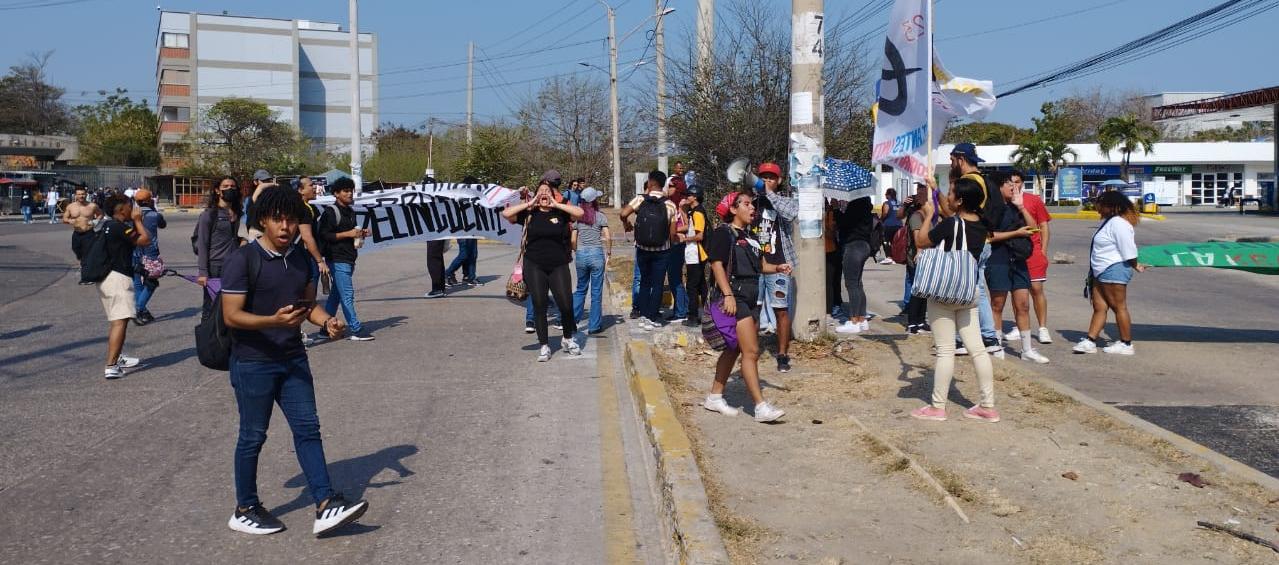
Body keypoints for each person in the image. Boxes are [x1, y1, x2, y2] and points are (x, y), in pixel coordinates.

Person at [219, 185, 369, 536]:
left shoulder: (301, 259)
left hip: (293, 359)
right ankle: (245, 508)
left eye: (290, 220)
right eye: (277, 220)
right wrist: (272, 321)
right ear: (262, 221)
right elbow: (231, 315)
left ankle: (326, 504)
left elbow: (307, 306)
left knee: (308, 430)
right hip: (253, 362)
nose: (285, 227)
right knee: (253, 436)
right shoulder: (243, 260)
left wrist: (327, 322)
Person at [909, 178, 999, 423]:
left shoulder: (951, 224)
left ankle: (937, 407)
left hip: (945, 292)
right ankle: (987, 406)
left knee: (945, 350)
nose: (947, 197)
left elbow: (921, 241)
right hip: (969, 292)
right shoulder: (982, 224)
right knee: (977, 349)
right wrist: (935, 188)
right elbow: (956, 218)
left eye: (951, 193)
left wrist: (929, 214)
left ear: (960, 200)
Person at [702, 192, 788, 423]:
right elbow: (716, 265)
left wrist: (778, 268)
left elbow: (761, 266)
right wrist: (728, 295)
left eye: (753, 205)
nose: (752, 209)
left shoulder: (750, 236)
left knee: (734, 349)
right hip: (735, 297)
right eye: (747, 204)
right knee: (751, 352)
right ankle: (760, 407)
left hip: (751, 298)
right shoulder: (724, 233)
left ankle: (714, 397)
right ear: (733, 209)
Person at [502, 177, 584, 361]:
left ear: (553, 194)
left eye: (547, 191)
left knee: (566, 304)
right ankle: (544, 346)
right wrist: (529, 203)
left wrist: (557, 204)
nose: (544, 194)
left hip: (558, 264)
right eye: (541, 191)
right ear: (536, 195)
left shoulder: (560, 212)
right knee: (539, 305)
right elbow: (506, 214)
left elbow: (579, 213)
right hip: (534, 265)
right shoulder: (529, 213)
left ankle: (568, 338)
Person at [986, 173, 1050, 364]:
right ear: (999, 186)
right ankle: (996, 346)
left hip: (1019, 260)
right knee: (997, 304)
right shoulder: (991, 208)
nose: (1013, 187)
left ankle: (1027, 349)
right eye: (1009, 184)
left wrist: (1021, 207)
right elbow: (988, 236)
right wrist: (1015, 233)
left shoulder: (1016, 207)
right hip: (997, 260)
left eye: (1015, 184)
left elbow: (1033, 228)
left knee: (1023, 305)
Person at [947, 143, 1004, 358]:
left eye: (952, 160)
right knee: (975, 288)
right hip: (982, 239)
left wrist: (936, 192)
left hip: (972, 241)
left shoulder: (969, 182)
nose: (951, 164)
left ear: (960, 159)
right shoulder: (982, 179)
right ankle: (981, 337)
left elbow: (952, 210)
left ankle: (980, 337)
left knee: (969, 289)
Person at [1074, 191, 1145, 356]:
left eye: (1100, 205)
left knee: (1118, 307)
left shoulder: (1119, 224)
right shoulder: (1109, 222)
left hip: (1113, 269)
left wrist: (1135, 264)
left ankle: (1126, 344)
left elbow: (1128, 248)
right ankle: (1090, 341)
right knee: (1099, 307)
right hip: (1100, 271)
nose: (1097, 208)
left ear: (1111, 206)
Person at [97, 194, 152, 379]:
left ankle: (118, 357)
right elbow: (145, 239)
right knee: (120, 321)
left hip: (106, 278)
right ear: (121, 209)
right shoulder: (119, 227)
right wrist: (138, 220)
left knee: (118, 320)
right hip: (118, 278)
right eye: (130, 206)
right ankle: (111, 366)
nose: (133, 209)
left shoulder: (106, 225)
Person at [753, 162, 798, 372]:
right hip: (754, 265)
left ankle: (782, 354)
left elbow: (790, 213)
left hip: (778, 263)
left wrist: (769, 194)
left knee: (781, 310)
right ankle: (751, 352)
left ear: (778, 181)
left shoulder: (784, 201)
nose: (766, 181)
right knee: (753, 310)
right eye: (763, 177)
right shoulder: (752, 202)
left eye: (771, 178)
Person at [621, 170, 678, 331]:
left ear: (650, 182)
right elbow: (673, 233)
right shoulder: (670, 205)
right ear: (663, 184)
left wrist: (627, 224)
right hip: (662, 251)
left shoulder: (640, 199)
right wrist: (670, 245)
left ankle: (644, 315)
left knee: (645, 281)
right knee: (658, 283)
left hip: (642, 248)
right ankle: (653, 317)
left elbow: (623, 213)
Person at [319, 178, 374, 341]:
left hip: (349, 257)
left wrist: (361, 233)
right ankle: (356, 329)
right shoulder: (330, 212)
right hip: (337, 258)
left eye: (351, 190)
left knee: (336, 295)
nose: (350, 194)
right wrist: (348, 234)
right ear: (336, 193)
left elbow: (351, 233)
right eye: (346, 191)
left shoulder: (350, 211)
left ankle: (325, 328)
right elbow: (324, 235)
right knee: (347, 295)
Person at [1009, 171, 1054, 344]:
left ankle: (1042, 328)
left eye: (1017, 181)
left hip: (1033, 252)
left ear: (1022, 183)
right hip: (1013, 253)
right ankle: (1018, 326)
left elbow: (1044, 226)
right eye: (1011, 182)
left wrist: (1043, 250)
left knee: (1036, 289)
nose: (1014, 185)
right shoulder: (1004, 200)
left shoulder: (1033, 200)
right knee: (1017, 292)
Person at [196, 176, 244, 321]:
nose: (230, 189)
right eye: (225, 186)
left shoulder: (238, 214)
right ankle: (206, 334)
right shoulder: (209, 215)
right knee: (211, 306)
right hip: (215, 266)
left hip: (234, 265)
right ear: (218, 191)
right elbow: (202, 244)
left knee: (232, 305)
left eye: (233, 186)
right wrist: (203, 272)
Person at [572, 187, 611, 334]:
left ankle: (572, 321)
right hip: (596, 254)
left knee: (581, 289)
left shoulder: (578, 216)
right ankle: (594, 326)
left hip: (581, 253)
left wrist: (576, 251)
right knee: (596, 292)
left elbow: (573, 240)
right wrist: (609, 252)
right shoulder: (600, 216)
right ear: (594, 201)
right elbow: (607, 237)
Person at [833, 197, 874, 334]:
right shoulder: (866, 207)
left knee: (851, 284)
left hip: (853, 246)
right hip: (864, 245)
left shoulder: (855, 205)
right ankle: (862, 319)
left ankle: (854, 321)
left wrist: (836, 209)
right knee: (858, 283)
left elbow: (842, 223)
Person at [130, 189, 166, 326]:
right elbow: (163, 225)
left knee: (137, 281)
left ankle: (143, 310)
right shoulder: (154, 215)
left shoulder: (131, 214)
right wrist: (153, 208)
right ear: (150, 200)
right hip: (150, 253)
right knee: (151, 283)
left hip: (133, 251)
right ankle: (138, 309)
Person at [902, 183, 930, 334]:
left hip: (926, 257)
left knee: (923, 291)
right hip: (917, 258)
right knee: (917, 290)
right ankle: (913, 322)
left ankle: (921, 321)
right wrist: (919, 253)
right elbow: (918, 239)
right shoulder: (916, 216)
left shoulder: (927, 216)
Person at [680, 185, 709, 328]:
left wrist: (685, 239)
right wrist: (682, 209)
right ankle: (706, 314)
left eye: (688, 195)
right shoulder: (694, 212)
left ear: (695, 197)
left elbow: (699, 236)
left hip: (696, 255)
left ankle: (693, 316)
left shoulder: (698, 213)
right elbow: (689, 226)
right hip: (693, 254)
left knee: (692, 286)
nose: (686, 197)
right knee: (702, 285)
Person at [446, 176, 483, 287]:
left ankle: (469, 277)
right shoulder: (458, 196)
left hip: (472, 229)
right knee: (464, 254)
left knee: (473, 254)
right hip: (462, 230)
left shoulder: (474, 197)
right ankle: (447, 273)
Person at [663, 176, 690, 323]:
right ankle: (682, 308)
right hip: (671, 243)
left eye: (671, 186)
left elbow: (687, 226)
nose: (668, 189)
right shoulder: (670, 203)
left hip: (678, 244)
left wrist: (673, 230)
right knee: (674, 277)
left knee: (675, 278)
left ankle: (680, 312)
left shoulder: (682, 204)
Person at [63, 187, 101, 265]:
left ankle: (85, 265)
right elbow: (64, 218)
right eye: (79, 194)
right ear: (76, 195)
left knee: (88, 251)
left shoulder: (92, 206)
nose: (81, 196)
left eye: (83, 194)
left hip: (89, 232)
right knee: (75, 248)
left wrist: (96, 221)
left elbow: (100, 214)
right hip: (77, 233)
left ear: (86, 194)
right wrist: (69, 221)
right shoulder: (70, 206)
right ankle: (82, 260)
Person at [879, 188, 903, 264]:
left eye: (886, 194)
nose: (885, 195)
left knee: (886, 241)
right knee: (896, 242)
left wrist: (881, 219)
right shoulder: (899, 203)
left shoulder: (887, 203)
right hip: (899, 225)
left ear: (889, 195)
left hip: (889, 225)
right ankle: (896, 257)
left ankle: (889, 257)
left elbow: (885, 212)